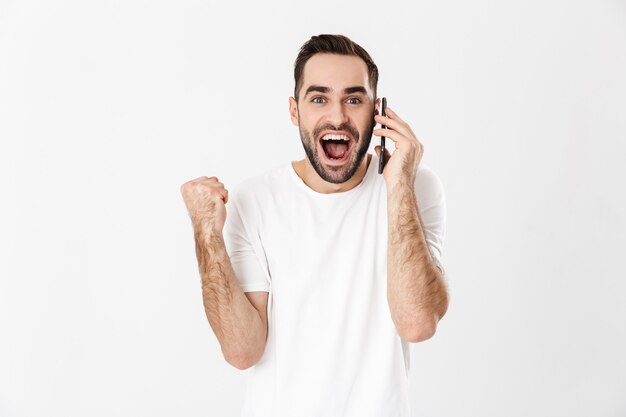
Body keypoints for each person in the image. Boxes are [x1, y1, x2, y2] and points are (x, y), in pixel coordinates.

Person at [180, 34, 449, 417]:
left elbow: (417, 324)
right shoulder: (255, 198)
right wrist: (207, 234)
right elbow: (242, 351)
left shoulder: (416, 187)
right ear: (295, 111)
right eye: (319, 98)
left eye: (354, 99)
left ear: (378, 113)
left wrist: (399, 184)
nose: (337, 116)